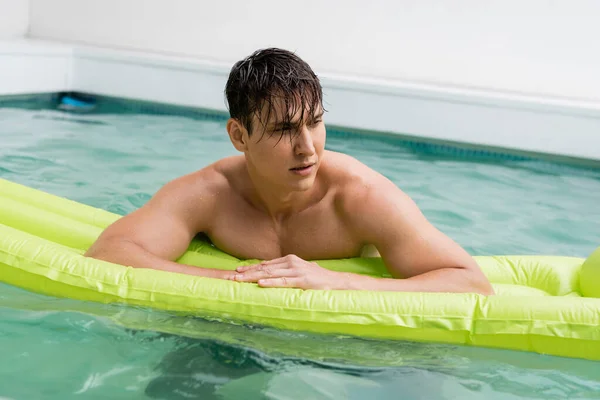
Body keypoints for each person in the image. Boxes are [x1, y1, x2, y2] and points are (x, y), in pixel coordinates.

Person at [85, 48, 494, 295]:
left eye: (314, 122)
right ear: (239, 136)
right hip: (234, 329)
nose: (308, 147)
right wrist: (236, 282)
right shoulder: (211, 194)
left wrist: (335, 281)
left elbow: (469, 281)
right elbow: (109, 252)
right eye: (284, 129)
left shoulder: (360, 197)